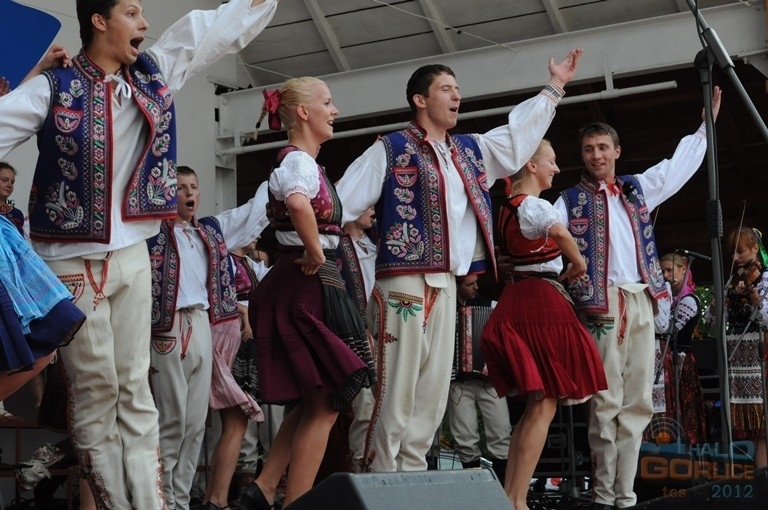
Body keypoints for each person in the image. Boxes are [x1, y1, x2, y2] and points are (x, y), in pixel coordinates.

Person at [0, 1, 280, 507]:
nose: (145, 24)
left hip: (132, 253)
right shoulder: (53, 88)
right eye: (132, 13)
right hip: (69, 259)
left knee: (134, 387)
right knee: (96, 391)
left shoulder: (153, 74)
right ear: (99, 21)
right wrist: (24, 82)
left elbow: (209, 31)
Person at [334, 48, 583, 473]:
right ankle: (378, 476)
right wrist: (310, 241)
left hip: (447, 281)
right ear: (420, 99)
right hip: (403, 280)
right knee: (395, 388)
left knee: (432, 390)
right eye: (446, 89)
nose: (456, 96)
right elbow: (341, 201)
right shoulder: (391, 148)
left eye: (457, 89)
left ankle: (410, 477)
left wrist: (554, 88)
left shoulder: (468, 150)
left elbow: (517, 137)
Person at [554, 87, 721, 510]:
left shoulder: (636, 189)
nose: (596, 155)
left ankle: (624, 496)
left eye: (602, 147)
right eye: (589, 149)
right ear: (582, 155)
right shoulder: (569, 200)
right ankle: (603, 493)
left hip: (643, 299)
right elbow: (544, 241)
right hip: (602, 303)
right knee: (605, 401)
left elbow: (674, 169)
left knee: (639, 403)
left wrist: (704, 130)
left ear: (617, 151)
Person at [235, 77, 376, 510]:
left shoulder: (301, 162)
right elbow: (297, 203)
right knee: (328, 403)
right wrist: (315, 250)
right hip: (305, 281)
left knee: (312, 397)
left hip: (298, 281)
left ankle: (264, 487)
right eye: (327, 103)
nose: (334, 111)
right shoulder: (298, 162)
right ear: (302, 112)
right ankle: (295, 501)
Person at [481, 140, 607, 509]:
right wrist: (579, 263)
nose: (556, 168)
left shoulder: (507, 208)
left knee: (537, 404)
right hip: (540, 301)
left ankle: (512, 497)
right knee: (544, 403)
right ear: (532, 166)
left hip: (520, 296)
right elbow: (562, 234)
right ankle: (517, 500)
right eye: (551, 161)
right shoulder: (535, 205)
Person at [147, 166, 269, 510]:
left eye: (193, 187)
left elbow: (252, 213)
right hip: (168, 326)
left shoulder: (210, 231)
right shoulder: (151, 232)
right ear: (167, 194)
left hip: (203, 323)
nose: (189, 193)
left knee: (195, 423)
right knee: (171, 418)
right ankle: (161, 500)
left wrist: (281, 176)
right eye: (180, 187)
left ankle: (181, 500)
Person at [705, 227, 768, 468]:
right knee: (751, 423)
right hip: (737, 354)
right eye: (732, 252)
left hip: (759, 351)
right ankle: (757, 472)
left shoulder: (765, 278)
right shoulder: (732, 281)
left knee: (762, 419)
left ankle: (762, 472)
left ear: (755, 248)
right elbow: (712, 324)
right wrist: (715, 307)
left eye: (740, 251)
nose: (735, 257)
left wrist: (756, 301)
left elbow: (766, 319)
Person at [448, 274, 511, 481]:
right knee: (464, 436)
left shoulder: (492, 306)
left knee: (500, 431)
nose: (476, 287)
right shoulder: (446, 309)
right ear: (457, 285)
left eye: (476, 283)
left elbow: (506, 338)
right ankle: (473, 485)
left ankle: (503, 486)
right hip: (458, 380)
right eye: (470, 284)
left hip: (489, 380)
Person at [647, 253, 707, 446]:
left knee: (682, 403)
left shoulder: (689, 300)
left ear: (683, 269)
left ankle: (686, 446)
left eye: (669, 270)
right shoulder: (671, 298)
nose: (665, 275)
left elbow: (669, 330)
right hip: (668, 358)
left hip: (680, 359)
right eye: (662, 271)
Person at [337, 207, 379, 473]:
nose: (373, 210)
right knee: (364, 406)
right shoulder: (335, 247)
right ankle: (361, 469)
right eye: (367, 205)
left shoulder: (381, 242)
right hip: (355, 334)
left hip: (386, 331)